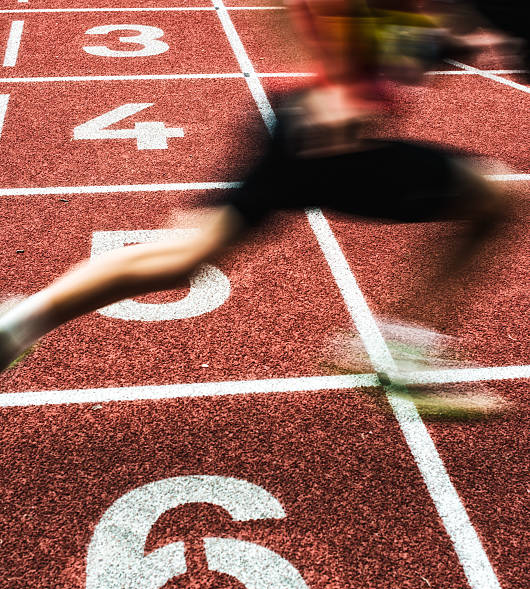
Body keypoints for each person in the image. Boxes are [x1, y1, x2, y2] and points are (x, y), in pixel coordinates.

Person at [0, 2, 513, 416]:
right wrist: (355, 83)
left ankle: (21, 321)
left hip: (296, 125)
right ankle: (401, 348)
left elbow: (407, 46)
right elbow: (339, 25)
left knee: (185, 254)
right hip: (333, 136)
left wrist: (444, 38)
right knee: (495, 201)